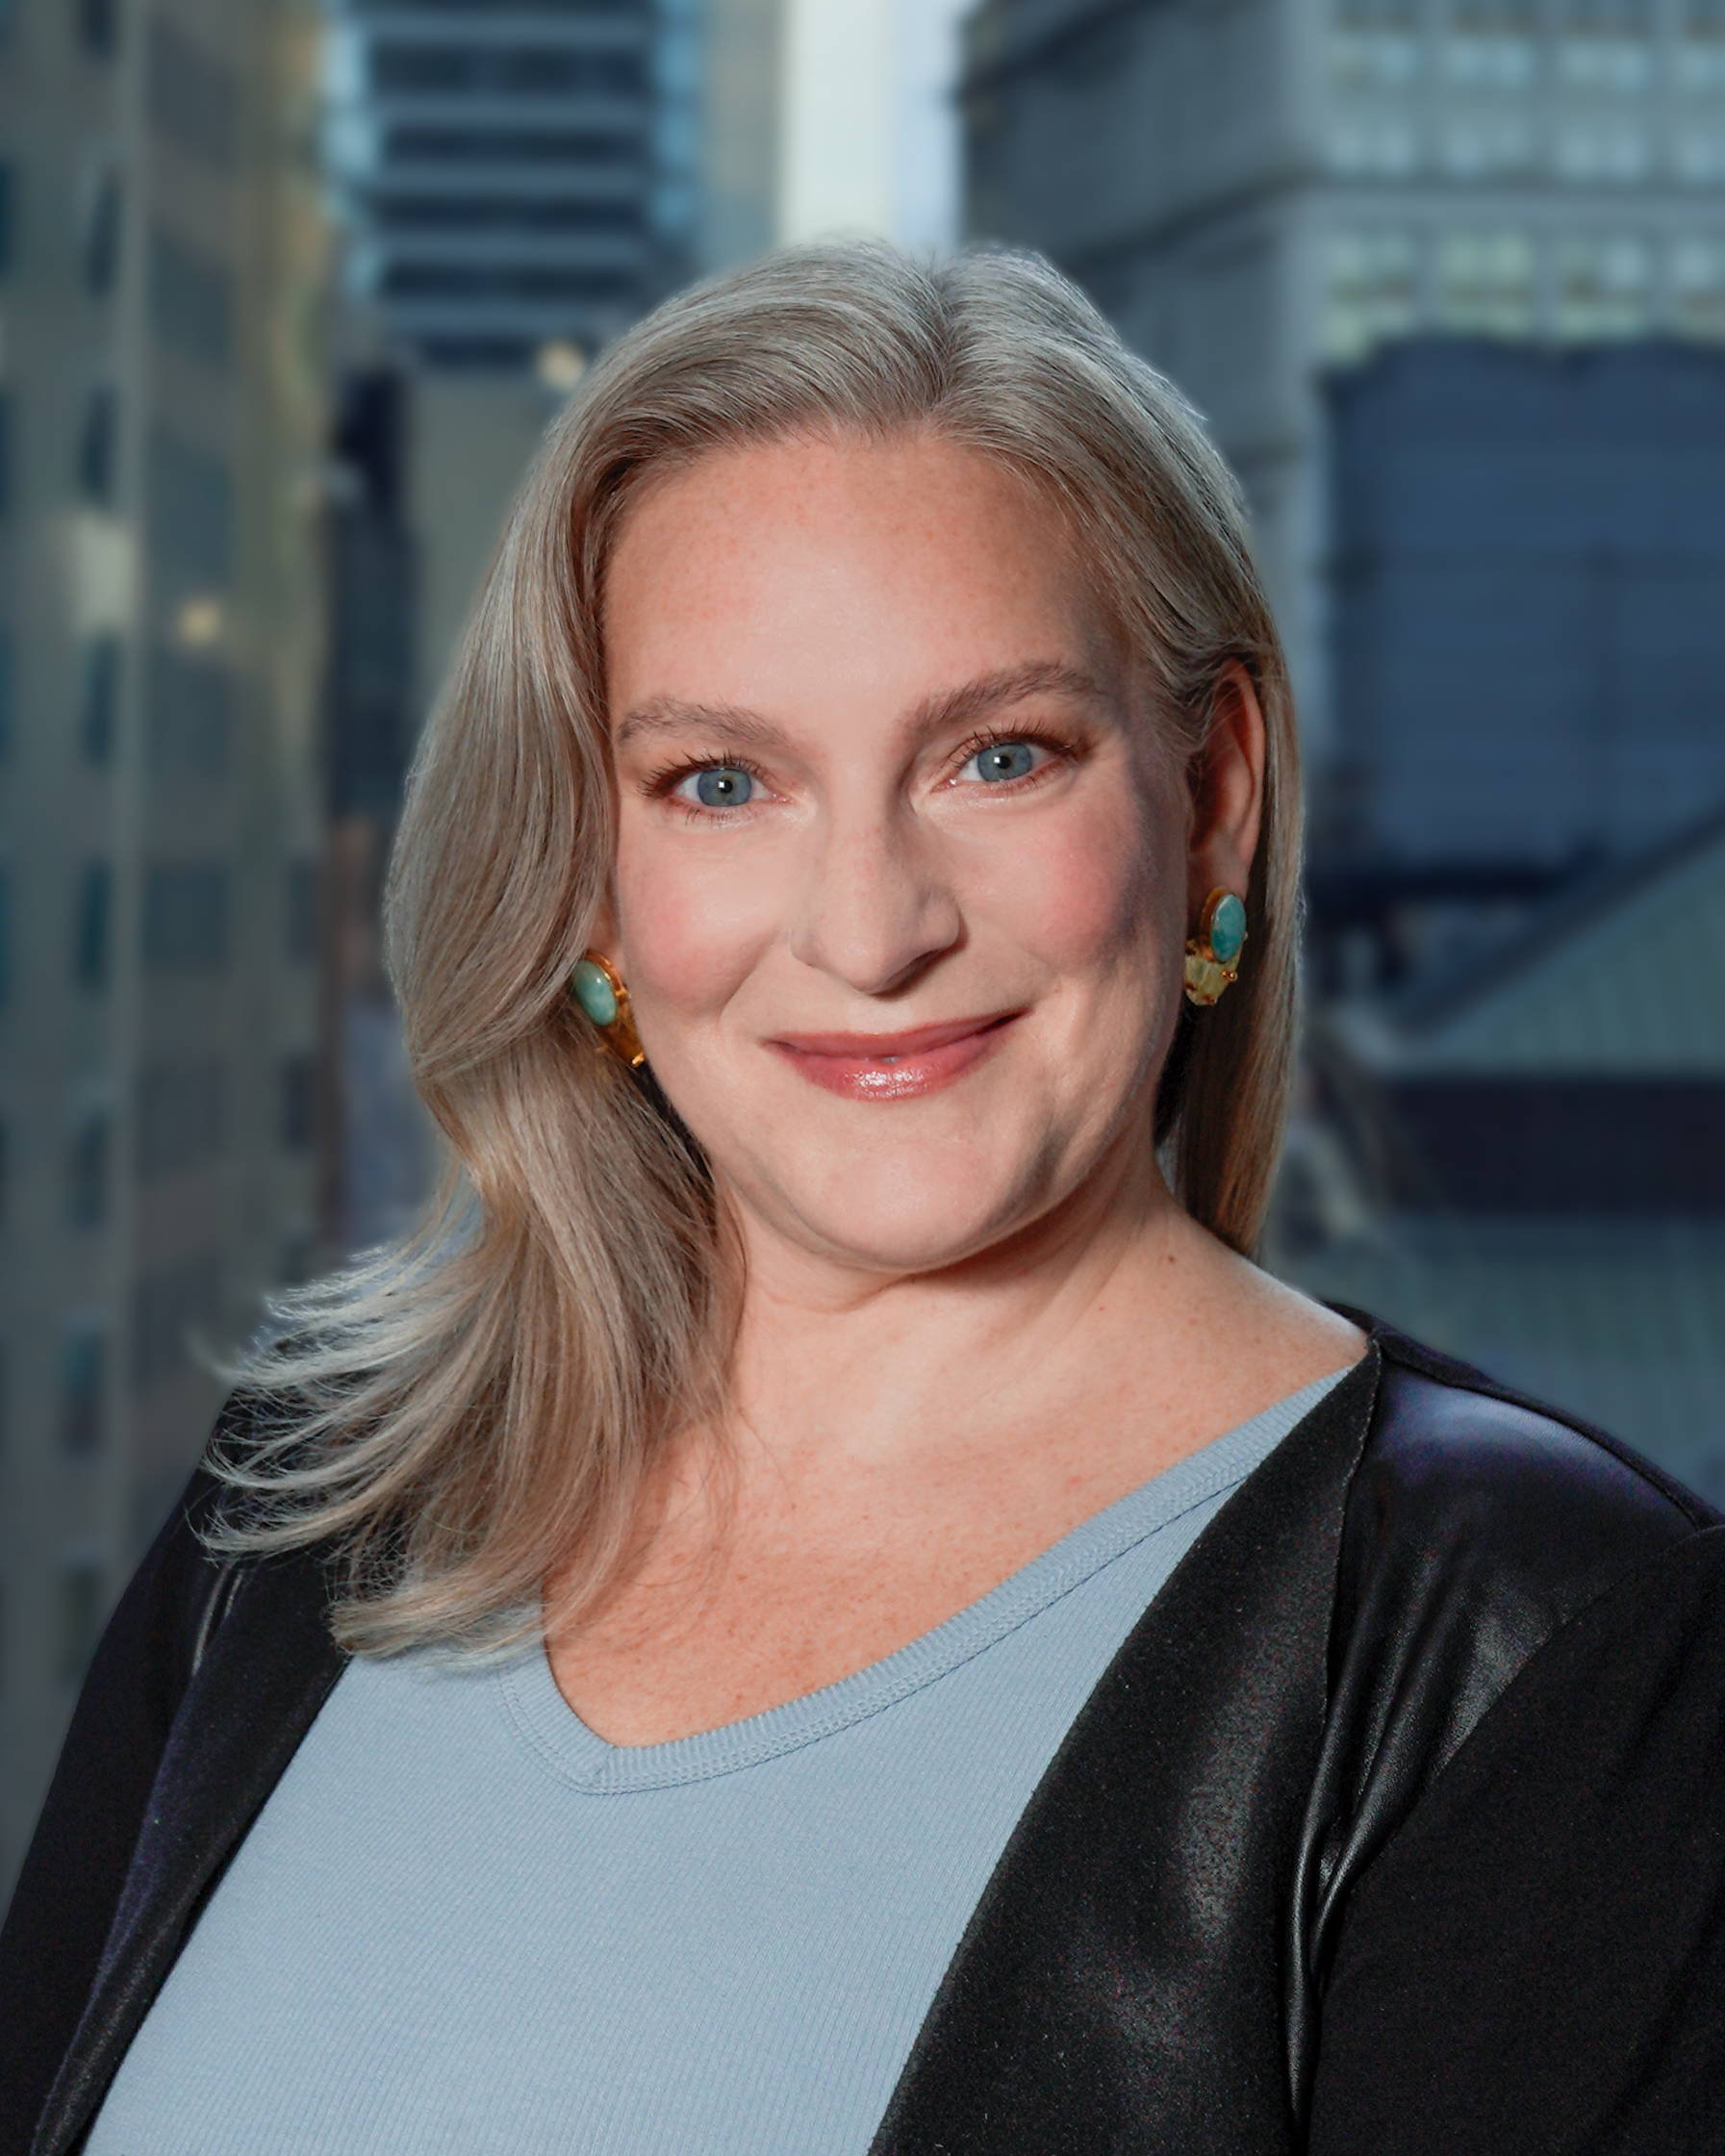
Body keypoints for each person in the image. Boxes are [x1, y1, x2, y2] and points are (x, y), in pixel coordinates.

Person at [4, 243, 1723, 2156]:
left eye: (1000, 756)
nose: (872, 928)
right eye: (722, 780)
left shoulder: (1545, 1649)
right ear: (585, 879)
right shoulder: (307, 1508)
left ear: (1214, 790)